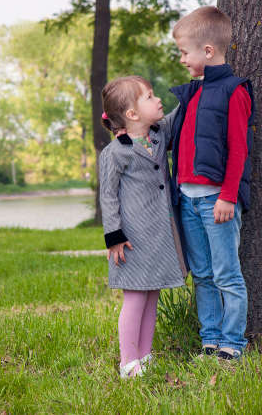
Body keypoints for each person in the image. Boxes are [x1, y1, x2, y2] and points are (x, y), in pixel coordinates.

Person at [169, 6, 255, 360]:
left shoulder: (234, 91)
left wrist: (228, 197)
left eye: (183, 52)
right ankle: (210, 338)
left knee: (226, 275)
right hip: (187, 200)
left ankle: (232, 344)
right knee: (202, 275)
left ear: (207, 50)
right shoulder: (191, 93)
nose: (181, 60)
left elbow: (239, 151)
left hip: (216, 202)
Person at [99, 76, 187, 378]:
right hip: (131, 239)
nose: (157, 99)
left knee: (152, 297)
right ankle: (128, 361)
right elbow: (108, 196)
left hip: (159, 236)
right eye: (149, 97)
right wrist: (114, 236)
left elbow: (179, 115)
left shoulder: (159, 135)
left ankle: (145, 356)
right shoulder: (116, 153)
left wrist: (195, 88)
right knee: (135, 299)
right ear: (133, 115)